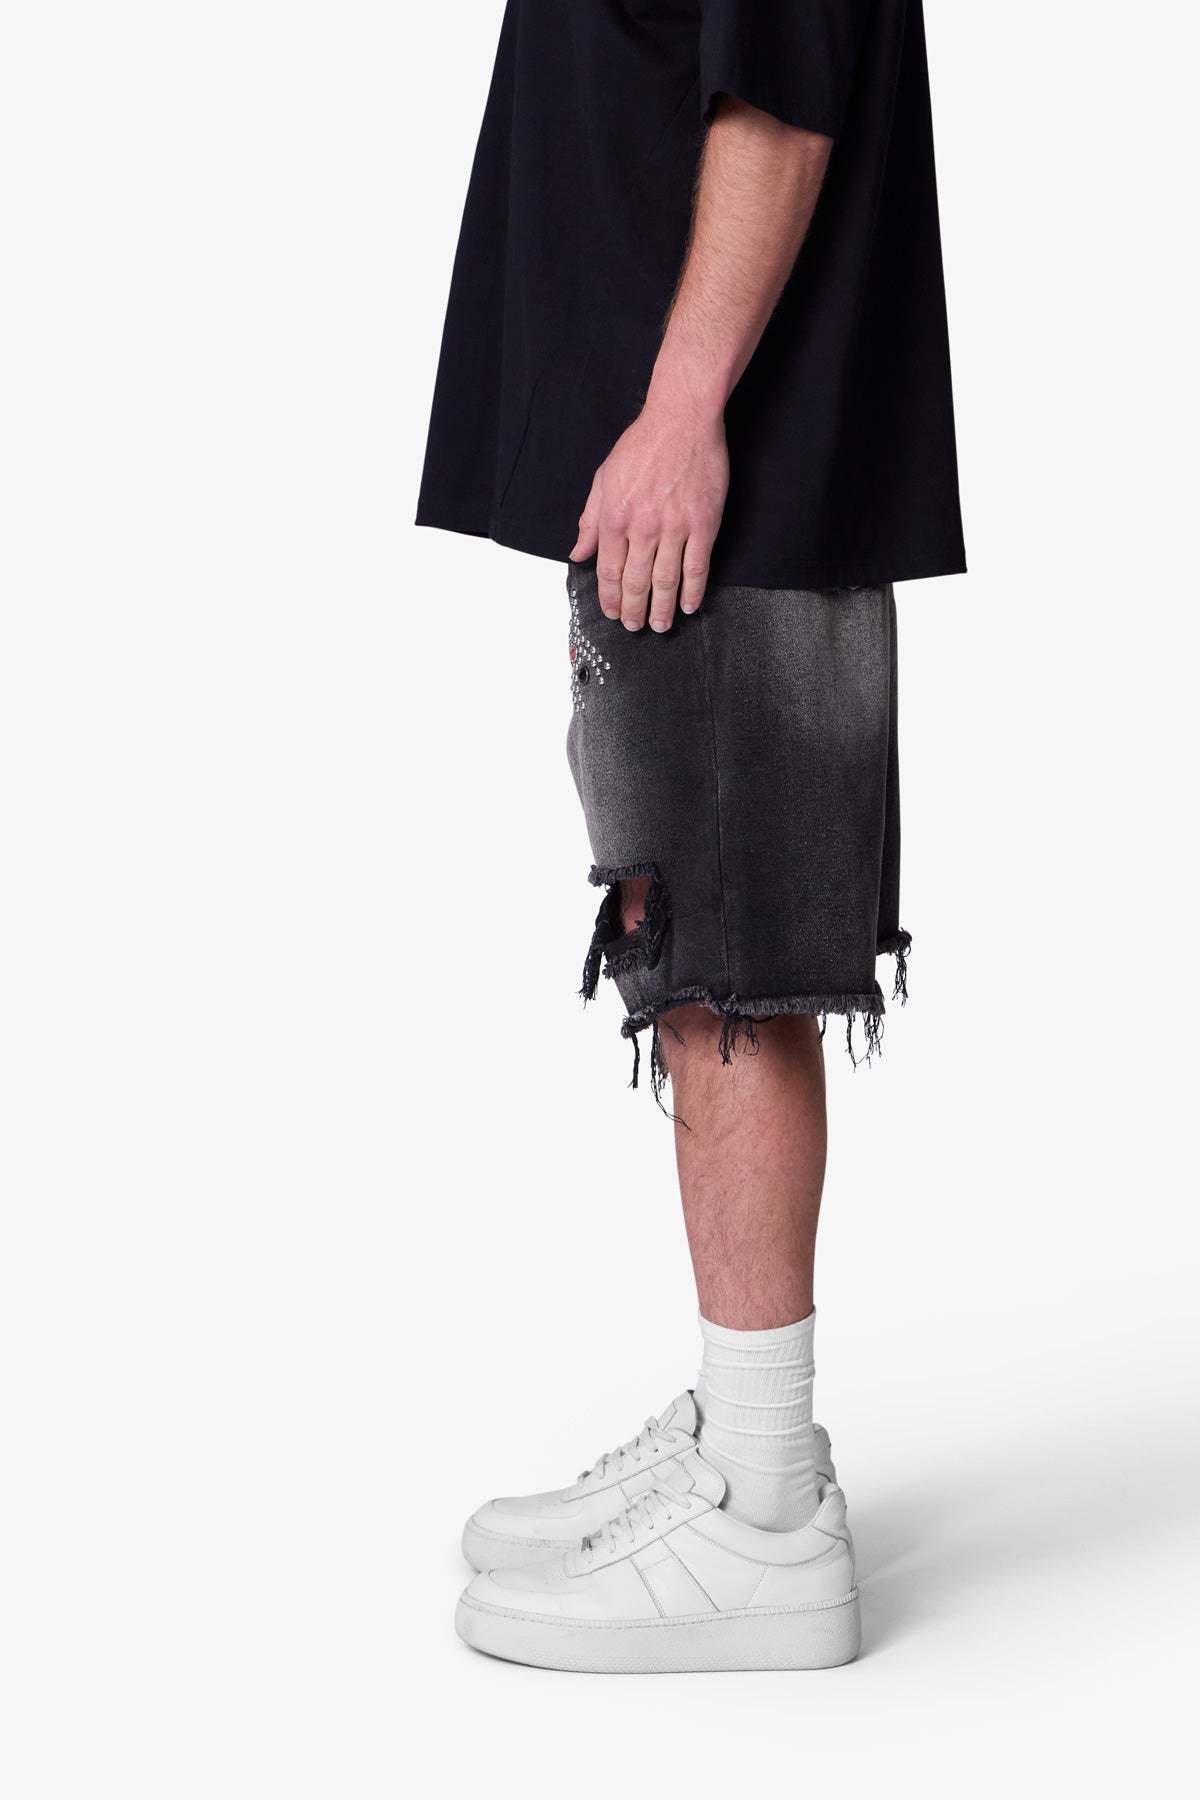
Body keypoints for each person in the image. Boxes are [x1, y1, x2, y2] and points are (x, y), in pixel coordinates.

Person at [417, 0, 964, 1674]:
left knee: (728, 967)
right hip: (687, 459)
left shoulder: (699, 436)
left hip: (726, 472)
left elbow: (779, 95)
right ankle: (746, 1439)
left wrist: (682, 410)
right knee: (695, 945)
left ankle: (766, 1515)